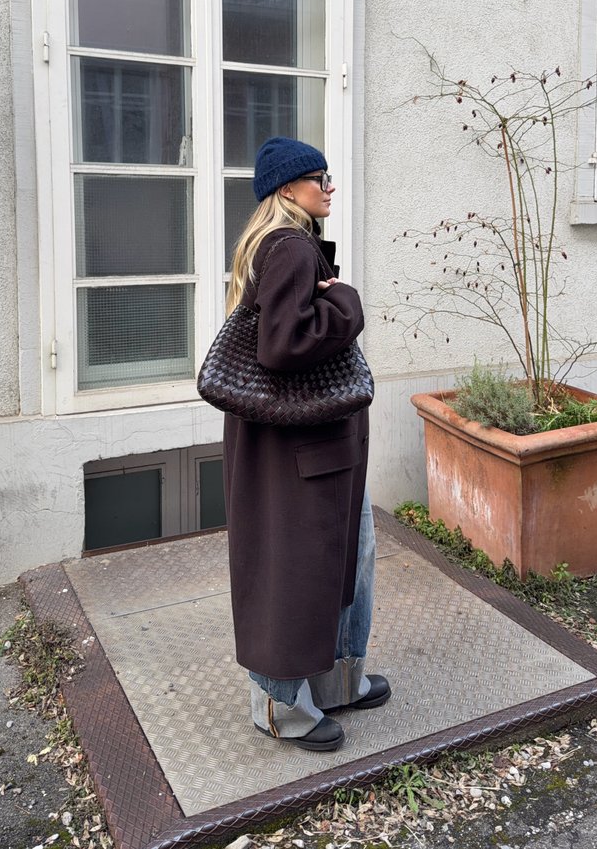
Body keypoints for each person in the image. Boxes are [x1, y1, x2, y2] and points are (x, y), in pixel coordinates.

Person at [223, 135, 390, 752]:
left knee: (347, 557)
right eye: (319, 178)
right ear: (287, 189)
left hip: (307, 442)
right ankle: (279, 706)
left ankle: (337, 678)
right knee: (293, 569)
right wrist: (346, 301)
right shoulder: (290, 247)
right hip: (300, 448)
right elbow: (283, 345)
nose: (329, 187)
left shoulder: (282, 246)